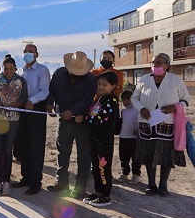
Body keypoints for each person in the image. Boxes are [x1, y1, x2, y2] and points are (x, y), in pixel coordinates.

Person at [131, 53, 191, 197]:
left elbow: (186, 100)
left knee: (165, 155)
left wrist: (175, 107)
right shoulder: (144, 79)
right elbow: (134, 97)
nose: (155, 65)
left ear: (167, 65)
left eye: (158, 62)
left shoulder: (175, 80)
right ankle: (151, 185)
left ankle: (163, 185)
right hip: (147, 123)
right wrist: (142, 108)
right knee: (148, 154)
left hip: (167, 123)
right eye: (153, 62)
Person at [46, 51, 97, 199]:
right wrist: (49, 104)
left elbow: (87, 99)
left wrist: (73, 111)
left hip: (82, 122)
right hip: (63, 121)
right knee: (62, 152)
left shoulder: (91, 79)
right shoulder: (59, 74)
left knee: (83, 155)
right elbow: (52, 91)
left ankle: (80, 187)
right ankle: (61, 182)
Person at [12, 43, 50, 195]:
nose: (27, 53)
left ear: (36, 54)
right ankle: (25, 178)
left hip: (36, 111)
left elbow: (44, 90)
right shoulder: (20, 72)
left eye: (31, 51)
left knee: (35, 147)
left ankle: (36, 182)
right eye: (25, 51)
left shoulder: (42, 70)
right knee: (22, 146)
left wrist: (32, 101)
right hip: (21, 112)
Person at [0, 55, 27, 196]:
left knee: (8, 151)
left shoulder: (21, 80)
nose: (8, 71)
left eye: (11, 69)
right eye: (6, 68)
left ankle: (6, 181)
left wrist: (14, 105)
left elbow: (24, 97)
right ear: (2, 68)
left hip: (13, 121)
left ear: (15, 68)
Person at [83, 71, 119, 207]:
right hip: (95, 138)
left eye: (105, 85)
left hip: (104, 140)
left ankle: (106, 195)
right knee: (96, 167)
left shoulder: (112, 99)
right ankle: (98, 192)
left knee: (103, 167)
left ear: (113, 86)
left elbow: (101, 118)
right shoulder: (98, 98)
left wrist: (85, 119)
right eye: (99, 84)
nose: (101, 87)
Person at [115, 90, 141, 184]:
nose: (126, 101)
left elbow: (141, 123)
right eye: (123, 99)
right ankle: (124, 174)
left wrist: (138, 132)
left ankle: (136, 175)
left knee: (136, 158)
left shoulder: (138, 110)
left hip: (134, 138)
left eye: (128, 99)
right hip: (123, 137)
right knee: (124, 157)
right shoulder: (123, 111)